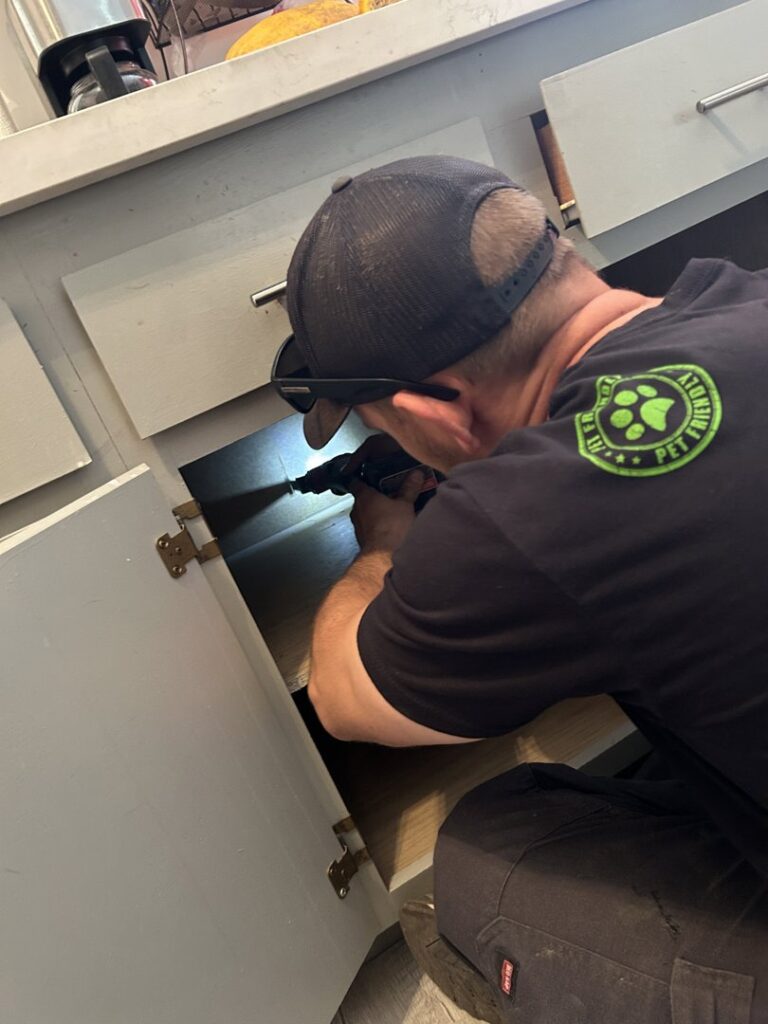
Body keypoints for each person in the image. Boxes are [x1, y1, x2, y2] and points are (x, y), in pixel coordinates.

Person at [271, 156, 768, 1023]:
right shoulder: (747, 294)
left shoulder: (527, 516)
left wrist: (379, 551)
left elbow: (344, 697)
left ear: (432, 413)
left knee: (491, 855)